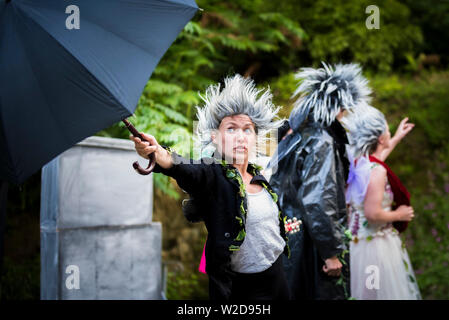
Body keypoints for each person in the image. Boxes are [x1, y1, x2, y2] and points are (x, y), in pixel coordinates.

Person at [131, 74, 293, 300]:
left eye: (247, 129)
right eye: (231, 129)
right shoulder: (213, 174)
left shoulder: (259, 177)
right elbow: (186, 169)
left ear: (255, 137)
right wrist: (158, 154)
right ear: (215, 137)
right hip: (242, 290)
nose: (240, 137)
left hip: (278, 279)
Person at [268, 63, 372, 300]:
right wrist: (331, 252)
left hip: (290, 237)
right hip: (311, 246)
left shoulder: (295, 136)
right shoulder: (321, 140)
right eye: (345, 109)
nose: (345, 114)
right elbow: (318, 200)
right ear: (338, 106)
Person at [343, 106, 421, 299]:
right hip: (375, 251)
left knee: (369, 293)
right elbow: (372, 214)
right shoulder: (376, 171)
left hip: (359, 245)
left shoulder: (359, 166)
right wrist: (399, 215)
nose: (389, 132)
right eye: (387, 130)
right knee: (378, 293)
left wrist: (396, 138)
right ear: (380, 138)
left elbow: (378, 158)